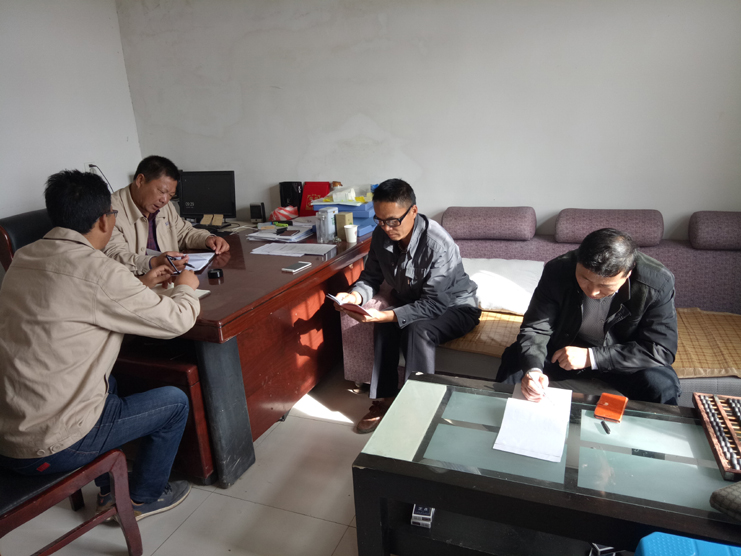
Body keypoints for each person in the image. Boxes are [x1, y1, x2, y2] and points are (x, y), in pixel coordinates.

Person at [0, 170, 201, 520]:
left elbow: (75, 300)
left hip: (11, 433)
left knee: (112, 384)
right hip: (51, 446)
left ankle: (110, 488)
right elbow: (177, 320)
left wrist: (141, 283)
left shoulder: (24, 259)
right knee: (175, 402)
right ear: (104, 220)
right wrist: (186, 286)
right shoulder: (99, 270)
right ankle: (143, 497)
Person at [334, 179, 481, 433]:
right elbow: (371, 278)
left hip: (455, 307)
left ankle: (418, 408)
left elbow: (434, 304)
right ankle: (385, 400)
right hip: (414, 301)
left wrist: (388, 315)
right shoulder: (380, 235)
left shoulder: (438, 244)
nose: (387, 228)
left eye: (393, 221)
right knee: (386, 324)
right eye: (380, 220)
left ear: (413, 210)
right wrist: (355, 297)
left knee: (416, 329)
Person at [496, 228, 680, 405]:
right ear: (578, 262)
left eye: (605, 286)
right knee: (516, 361)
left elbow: (661, 349)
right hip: (564, 349)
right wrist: (534, 371)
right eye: (585, 279)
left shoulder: (657, 282)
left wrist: (592, 357)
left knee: (661, 384)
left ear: (628, 274)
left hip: (622, 358)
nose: (593, 292)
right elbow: (536, 327)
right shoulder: (558, 269)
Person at [104, 155, 229, 275]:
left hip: (169, 278)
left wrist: (207, 239)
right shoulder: (109, 211)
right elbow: (114, 256)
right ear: (140, 180)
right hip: (135, 283)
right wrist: (153, 262)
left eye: (170, 195)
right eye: (162, 191)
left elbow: (183, 233)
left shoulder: (165, 206)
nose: (165, 200)